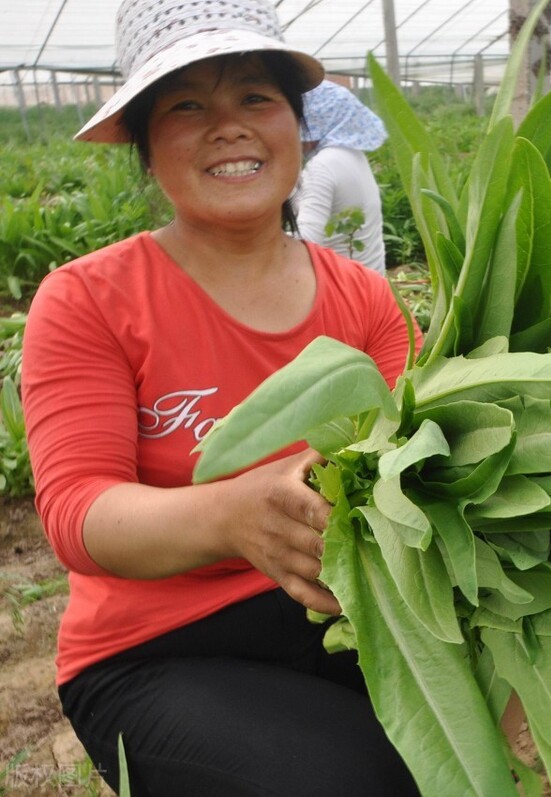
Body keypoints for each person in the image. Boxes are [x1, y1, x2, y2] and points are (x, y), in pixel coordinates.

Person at [22, 0, 422, 793]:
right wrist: (233, 515)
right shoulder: (89, 298)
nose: (229, 125)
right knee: (348, 780)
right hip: (158, 647)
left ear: (298, 127)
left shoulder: (365, 302)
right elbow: (77, 512)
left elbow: (414, 469)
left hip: (344, 618)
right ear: (145, 143)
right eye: (187, 105)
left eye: (255, 97)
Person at [295, 80, 389, 276]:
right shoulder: (352, 155)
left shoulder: (322, 166)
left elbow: (307, 241)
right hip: (371, 280)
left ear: (315, 122)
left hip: (344, 288)